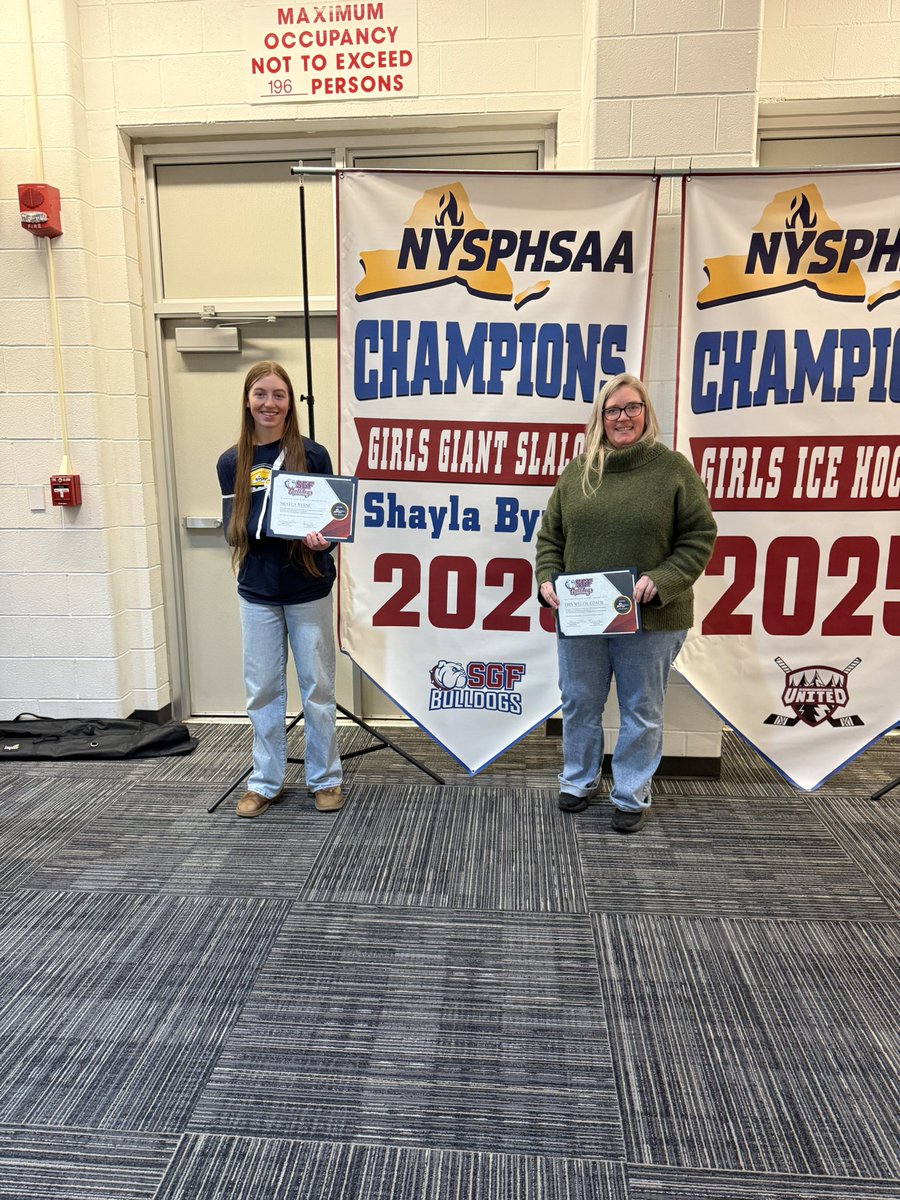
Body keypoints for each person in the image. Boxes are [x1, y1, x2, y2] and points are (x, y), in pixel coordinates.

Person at [535, 373, 716, 833]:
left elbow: (699, 536)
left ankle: (631, 793)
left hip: (652, 620)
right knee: (578, 702)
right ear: (600, 417)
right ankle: (578, 780)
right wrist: (547, 579)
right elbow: (551, 537)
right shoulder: (579, 472)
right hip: (582, 617)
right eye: (612, 410)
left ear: (646, 413)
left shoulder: (673, 469)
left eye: (632, 407)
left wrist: (665, 577)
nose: (622, 417)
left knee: (641, 709)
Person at [216, 360, 343, 818]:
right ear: (248, 401)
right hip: (257, 591)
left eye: (279, 395)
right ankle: (265, 782)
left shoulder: (313, 455)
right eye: (261, 394)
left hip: (307, 588)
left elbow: (334, 522)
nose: (270, 403)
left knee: (318, 688)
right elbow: (233, 530)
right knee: (264, 691)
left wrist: (323, 537)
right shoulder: (232, 461)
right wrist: (256, 527)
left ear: (290, 403)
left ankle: (325, 779)